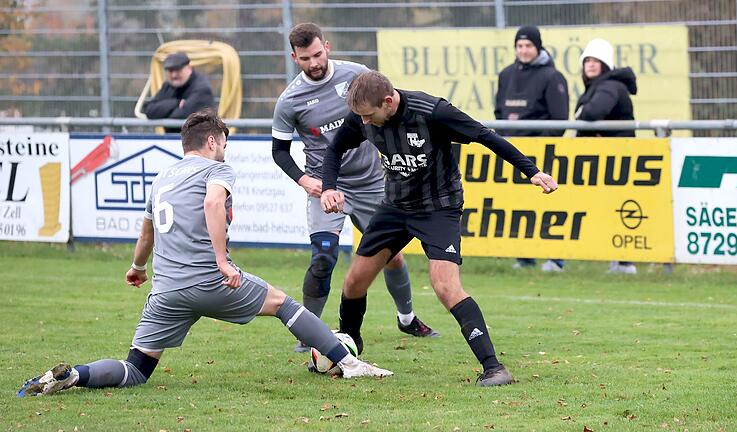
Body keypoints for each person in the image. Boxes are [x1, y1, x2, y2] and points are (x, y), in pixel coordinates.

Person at [17, 109, 392, 398]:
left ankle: (74, 376)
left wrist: (136, 267)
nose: (224, 150)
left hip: (166, 292)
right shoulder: (218, 170)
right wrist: (222, 261)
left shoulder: (163, 177)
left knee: (135, 370)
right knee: (284, 305)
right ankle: (349, 362)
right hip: (212, 280)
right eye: (224, 143)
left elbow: (146, 229)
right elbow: (214, 203)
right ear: (212, 142)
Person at [320, 71, 558, 387]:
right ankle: (348, 354)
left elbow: (486, 136)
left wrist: (532, 171)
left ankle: (494, 368)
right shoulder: (362, 116)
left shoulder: (433, 112)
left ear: (388, 102)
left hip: (438, 207)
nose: (363, 123)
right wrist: (328, 187)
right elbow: (335, 149)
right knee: (354, 281)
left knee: (445, 286)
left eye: (368, 116)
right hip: (395, 206)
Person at [271, 23, 438, 353]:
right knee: (323, 258)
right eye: (305, 58)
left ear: (327, 47)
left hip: (372, 184)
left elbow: (389, 109)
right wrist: (305, 180)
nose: (314, 63)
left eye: (318, 54)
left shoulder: (357, 75)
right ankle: (309, 334)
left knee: (390, 257)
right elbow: (279, 150)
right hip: (326, 189)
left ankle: (407, 319)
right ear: (294, 57)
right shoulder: (289, 100)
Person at [494, 25, 569, 272]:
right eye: (519, 46)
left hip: (543, 152)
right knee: (517, 206)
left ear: (538, 47)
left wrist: (539, 141)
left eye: (528, 46)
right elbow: (499, 112)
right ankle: (524, 256)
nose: (524, 50)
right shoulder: (506, 75)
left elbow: (559, 119)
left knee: (548, 206)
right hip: (513, 154)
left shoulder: (552, 77)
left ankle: (555, 258)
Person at [574, 38, 638, 275]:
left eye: (595, 60)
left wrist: (582, 113)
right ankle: (618, 261)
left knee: (619, 208)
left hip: (617, 159)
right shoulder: (599, 86)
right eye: (586, 60)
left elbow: (592, 112)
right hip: (608, 160)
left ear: (605, 64)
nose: (590, 65)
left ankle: (624, 262)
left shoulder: (610, 86)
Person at [142, 52, 215, 133]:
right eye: (170, 71)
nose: (173, 75)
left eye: (178, 70)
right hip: (172, 140)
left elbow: (178, 117)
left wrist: (162, 113)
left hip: (197, 142)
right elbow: (149, 110)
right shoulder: (168, 86)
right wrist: (176, 103)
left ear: (189, 68)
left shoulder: (202, 88)